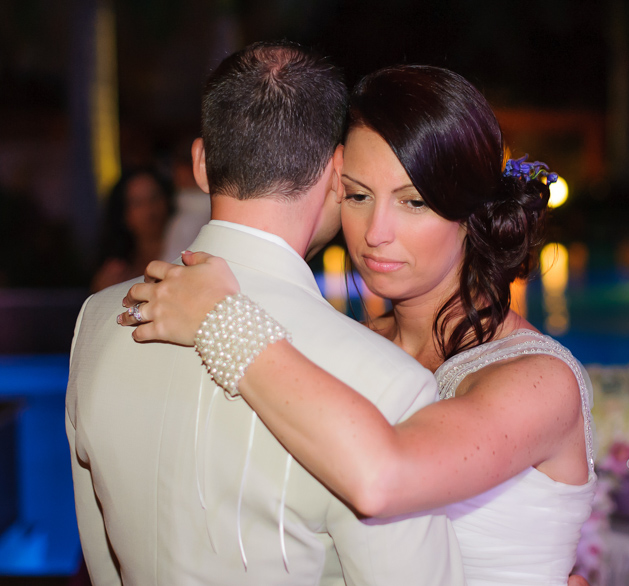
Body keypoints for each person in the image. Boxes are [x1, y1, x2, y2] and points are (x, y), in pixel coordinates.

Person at [122, 65, 596, 586]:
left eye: (412, 202)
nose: (376, 233)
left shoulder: (538, 381)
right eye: (357, 195)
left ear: (471, 211)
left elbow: (383, 479)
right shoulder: (344, 346)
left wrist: (220, 321)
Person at [67, 43, 465, 585]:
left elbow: (101, 558)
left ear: (202, 164)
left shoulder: (97, 322)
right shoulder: (389, 385)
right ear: (336, 172)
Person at [90, 167, 173, 292]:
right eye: (137, 203)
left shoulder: (187, 251)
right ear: (123, 214)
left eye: (154, 198)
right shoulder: (116, 271)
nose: (149, 209)